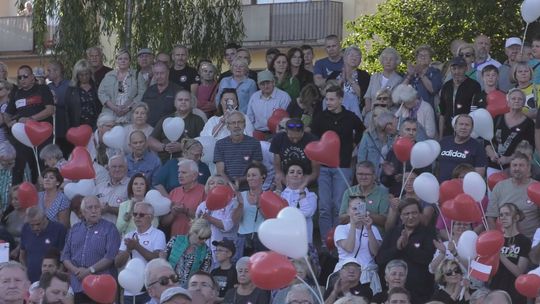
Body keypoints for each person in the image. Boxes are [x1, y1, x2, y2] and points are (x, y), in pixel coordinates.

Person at [311, 85, 364, 247]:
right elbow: (314, 136)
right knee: (325, 206)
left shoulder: (350, 117)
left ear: (341, 99)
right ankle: (326, 242)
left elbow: (361, 130)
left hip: (343, 165)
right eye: (327, 99)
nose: (329, 102)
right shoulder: (320, 116)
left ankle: (338, 239)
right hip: (324, 167)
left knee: (338, 205)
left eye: (332, 99)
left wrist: (353, 145)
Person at [61, 195, 121, 303]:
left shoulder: (110, 228)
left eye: (97, 207)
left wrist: (89, 271)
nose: (94, 210)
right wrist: (76, 271)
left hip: (101, 286)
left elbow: (110, 257)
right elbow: (65, 256)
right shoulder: (74, 229)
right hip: (78, 285)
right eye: (90, 208)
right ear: (83, 212)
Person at [376, 198, 436, 303]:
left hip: (420, 294)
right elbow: (380, 259)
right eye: (406, 214)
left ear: (420, 214)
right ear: (401, 216)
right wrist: (397, 248)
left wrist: (407, 246)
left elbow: (428, 259)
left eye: (414, 213)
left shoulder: (429, 233)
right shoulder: (393, 232)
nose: (411, 217)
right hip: (393, 296)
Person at [5, 65, 54, 184]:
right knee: (24, 166)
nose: (22, 79)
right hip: (23, 137)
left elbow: (50, 109)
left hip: (42, 135)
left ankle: (44, 194)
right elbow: (7, 113)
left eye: (25, 76)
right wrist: (10, 124)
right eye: (19, 77)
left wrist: (31, 119)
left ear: (32, 77)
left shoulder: (42, 89)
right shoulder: (16, 93)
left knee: (43, 165)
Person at [115, 202, 167, 304]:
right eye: (135, 214)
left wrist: (137, 246)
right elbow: (117, 263)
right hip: (129, 290)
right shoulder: (128, 236)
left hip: (150, 290)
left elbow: (156, 260)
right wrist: (128, 250)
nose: (137, 217)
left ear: (151, 217)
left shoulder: (158, 234)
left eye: (141, 215)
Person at [334, 197, 382, 294]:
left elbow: (375, 252)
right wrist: (353, 225)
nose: (357, 211)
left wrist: (369, 229)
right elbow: (349, 248)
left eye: (360, 208)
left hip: (367, 274)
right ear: (348, 211)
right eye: (354, 208)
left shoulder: (373, 229)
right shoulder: (341, 229)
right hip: (346, 273)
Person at [487, 152, 540, 239]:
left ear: (528, 168)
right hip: (505, 242)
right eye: (514, 165)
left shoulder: (537, 188)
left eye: (521, 165)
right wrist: (497, 239)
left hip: (531, 240)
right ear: (510, 168)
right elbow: (491, 217)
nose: (517, 168)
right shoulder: (500, 187)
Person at [489, 203, 531, 304]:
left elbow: (519, 272)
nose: (503, 217)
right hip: (496, 290)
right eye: (501, 215)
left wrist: (500, 255)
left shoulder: (524, 241)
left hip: (515, 293)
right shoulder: (495, 239)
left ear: (516, 217)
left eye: (507, 214)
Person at [486, 88, 534, 173]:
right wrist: (491, 154)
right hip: (493, 166)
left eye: (520, 99)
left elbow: (529, 148)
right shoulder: (498, 118)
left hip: (516, 169)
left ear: (523, 103)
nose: (517, 101)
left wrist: (509, 159)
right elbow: (487, 141)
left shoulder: (529, 123)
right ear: (508, 102)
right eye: (513, 98)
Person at [148, 90, 205, 162]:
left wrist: (183, 147)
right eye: (180, 100)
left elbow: (202, 143)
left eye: (186, 100)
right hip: (165, 161)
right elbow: (150, 140)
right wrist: (164, 147)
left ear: (191, 103)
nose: (183, 102)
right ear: (175, 103)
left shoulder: (197, 120)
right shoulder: (166, 119)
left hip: (188, 162)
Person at [213, 111, 263, 190]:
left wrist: (239, 181)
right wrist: (231, 186)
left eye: (239, 122)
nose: (236, 125)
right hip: (227, 188)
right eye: (233, 123)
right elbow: (220, 172)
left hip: (250, 187)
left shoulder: (254, 143)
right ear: (228, 127)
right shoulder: (220, 144)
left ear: (245, 125)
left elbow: (255, 170)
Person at [98, 48, 147, 124]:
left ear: (130, 61)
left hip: (130, 112)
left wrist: (128, 108)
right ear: (116, 61)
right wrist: (114, 108)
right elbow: (101, 93)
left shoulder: (137, 75)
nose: (123, 61)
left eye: (125, 59)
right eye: (120, 59)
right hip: (110, 112)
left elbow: (142, 93)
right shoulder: (109, 75)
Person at [19, 206, 67, 283]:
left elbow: (64, 258)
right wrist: (25, 273)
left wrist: (57, 278)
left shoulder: (59, 229)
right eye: (32, 225)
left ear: (45, 218)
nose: (35, 228)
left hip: (52, 281)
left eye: (38, 224)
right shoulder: (25, 228)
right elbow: (22, 256)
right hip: (31, 280)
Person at [339, 161, 389, 232]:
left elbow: (384, 220)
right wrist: (353, 213)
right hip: (353, 234)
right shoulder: (349, 192)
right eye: (360, 174)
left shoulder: (382, 193)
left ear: (374, 175)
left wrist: (365, 213)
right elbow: (341, 219)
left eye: (367, 174)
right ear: (356, 175)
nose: (363, 177)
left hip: (374, 234)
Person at [195, 175, 239, 257]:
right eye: (212, 183)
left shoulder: (233, 204)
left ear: (227, 187)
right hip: (205, 250)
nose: (215, 185)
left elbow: (227, 226)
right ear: (208, 187)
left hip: (226, 250)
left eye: (219, 183)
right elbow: (196, 228)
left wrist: (209, 218)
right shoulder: (202, 205)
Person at [270, 118, 319, 190]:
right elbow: (277, 167)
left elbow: (315, 172)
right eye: (291, 138)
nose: (295, 141)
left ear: (303, 132)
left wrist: (305, 182)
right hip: (285, 179)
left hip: (307, 181)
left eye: (298, 138)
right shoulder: (278, 139)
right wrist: (287, 183)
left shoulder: (312, 141)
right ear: (286, 132)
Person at [439, 57, 481, 137]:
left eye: (460, 68)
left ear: (466, 68)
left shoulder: (474, 86)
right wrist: (441, 136)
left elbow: (476, 112)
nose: (457, 72)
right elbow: (442, 112)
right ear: (450, 70)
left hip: (467, 131)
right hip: (449, 132)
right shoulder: (446, 86)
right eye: (454, 68)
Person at [162, 159, 205, 237]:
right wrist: (173, 214)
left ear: (194, 175)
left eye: (184, 172)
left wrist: (186, 211)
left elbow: (206, 219)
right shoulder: (174, 192)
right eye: (179, 172)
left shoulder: (204, 191)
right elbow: (164, 223)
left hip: (196, 241)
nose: (179, 175)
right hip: (176, 242)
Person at [437, 114, 486, 182]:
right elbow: (436, 166)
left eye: (467, 125)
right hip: (441, 188)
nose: (463, 127)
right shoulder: (444, 142)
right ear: (455, 127)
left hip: (463, 189)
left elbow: (479, 175)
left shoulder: (478, 147)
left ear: (472, 129)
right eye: (461, 124)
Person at [164, 218, 212, 288]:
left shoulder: (207, 251)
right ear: (193, 232)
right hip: (168, 283)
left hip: (189, 289)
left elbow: (203, 275)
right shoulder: (176, 240)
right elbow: (164, 257)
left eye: (206, 238)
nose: (203, 241)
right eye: (201, 237)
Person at [232, 162, 267, 256]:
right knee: (243, 267)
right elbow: (235, 221)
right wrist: (240, 204)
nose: (250, 178)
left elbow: (271, 220)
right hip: (243, 238)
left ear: (263, 177)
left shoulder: (269, 196)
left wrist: (258, 205)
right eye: (248, 175)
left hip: (263, 238)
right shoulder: (241, 196)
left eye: (254, 175)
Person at [327, 45, 371, 118]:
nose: (354, 58)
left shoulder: (364, 76)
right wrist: (341, 80)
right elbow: (328, 93)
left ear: (360, 60)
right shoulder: (334, 74)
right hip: (335, 110)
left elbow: (363, 95)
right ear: (344, 58)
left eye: (357, 56)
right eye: (352, 55)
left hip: (356, 112)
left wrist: (349, 79)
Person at [280, 161, 317, 244]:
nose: (295, 175)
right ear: (286, 177)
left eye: (299, 173)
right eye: (291, 172)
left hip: (304, 243)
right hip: (284, 242)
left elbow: (307, 212)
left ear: (303, 177)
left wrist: (302, 194)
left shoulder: (311, 196)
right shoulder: (281, 196)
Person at [246, 70, 291, 135]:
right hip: (257, 132)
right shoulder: (254, 97)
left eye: (268, 83)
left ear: (273, 82)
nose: (266, 86)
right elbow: (250, 118)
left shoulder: (284, 96)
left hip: (278, 133)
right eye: (262, 84)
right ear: (258, 85)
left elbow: (286, 119)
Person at [357, 109, 397, 177]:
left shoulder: (393, 137)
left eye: (381, 116)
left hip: (388, 177)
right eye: (375, 116)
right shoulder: (367, 136)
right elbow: (361, 159)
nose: (377, 118)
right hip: (371, 176)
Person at [363, 48, 403, 115]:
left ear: (396, 62)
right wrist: (368, 112)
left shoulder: (399, 80)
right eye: (386, 59)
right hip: (371, 113)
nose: (388, 61)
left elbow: (396, 101)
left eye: (391, 59)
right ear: (382, 61)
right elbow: (367, 96)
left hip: (390, 114)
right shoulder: (374, 77)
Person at [402, 45, 443, 111]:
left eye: (426, 55)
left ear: (430, 59)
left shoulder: (435, 72)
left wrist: (421, 74)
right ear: (416, 58)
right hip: (409, 110)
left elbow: (433, 90)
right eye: (420, 55)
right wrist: (409, 75)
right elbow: (401, 91)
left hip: (427, 110)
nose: (423, 57)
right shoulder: (411, 72)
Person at [65, 59, 101, 130]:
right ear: (77, 75)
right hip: (77, 126)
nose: (84, 77)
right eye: (81, 75)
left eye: (87, 74)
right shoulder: (71, 89)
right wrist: (69, 128)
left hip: (95, 125)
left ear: (91, 73)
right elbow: (67, 111)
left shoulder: (97, 87)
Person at [142, 61, 181, 126]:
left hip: (168, 129)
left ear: (168, 73)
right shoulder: (149, 90)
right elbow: (142, 109)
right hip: (149, 129)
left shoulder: (177, 90)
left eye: (162, 73)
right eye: (156, 73)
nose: (159, 76)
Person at [47, 60, 72, 157]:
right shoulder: (47, 87)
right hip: (53, 129)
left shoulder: (70, 85)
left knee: (67, 155)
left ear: (57, 72)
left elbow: (74, 105)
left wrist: (58, 102)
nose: (47, 73)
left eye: (49, 71)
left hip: (67, 126)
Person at [96, 154, 129, 223]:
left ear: (126, 168)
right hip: (99, 228)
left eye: (121, 166)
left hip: (120, 231)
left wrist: (109, 209)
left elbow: (132, 211)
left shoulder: (132, 185)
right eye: (114, 167)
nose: (117, 169)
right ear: (108, 169)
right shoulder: (100, 186)